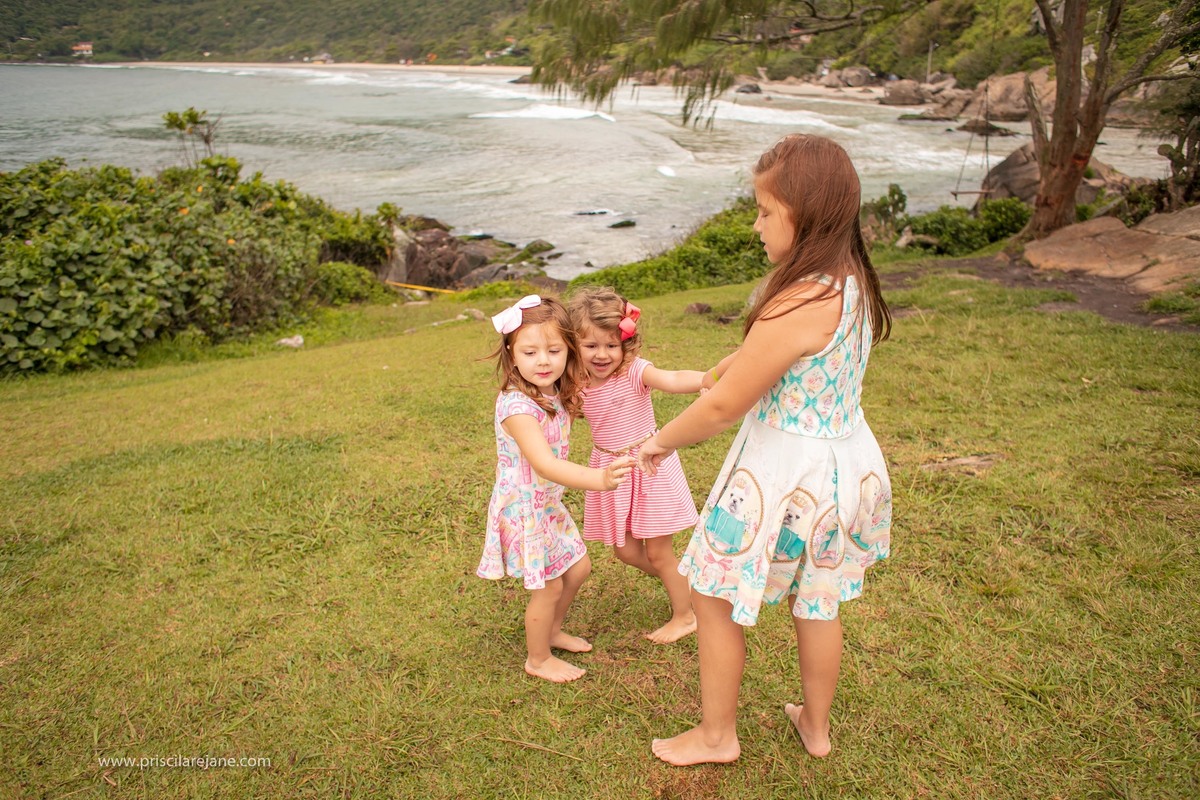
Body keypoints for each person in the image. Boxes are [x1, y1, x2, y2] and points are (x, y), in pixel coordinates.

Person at [638, 134, 894, 765]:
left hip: (786, 473)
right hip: (844, 465)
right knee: (818, 599)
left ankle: (716, 736)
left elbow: (723, 408)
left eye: (764, 211)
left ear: (803, 215)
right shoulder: (851, 281)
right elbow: (779, 358)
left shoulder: (799, 299)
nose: (756, 225)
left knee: (712, 597)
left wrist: (657, 443)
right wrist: (729, 364)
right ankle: (816, 726)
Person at [477, 295, 636, 683]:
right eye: (530, 352)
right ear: (511, 353)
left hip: (546, 503)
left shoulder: (550, 390)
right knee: (548, 587)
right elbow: (545, 464)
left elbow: (606, 378)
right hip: (525, 509)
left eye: (554, 350)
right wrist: (599, 479)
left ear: (569, 350)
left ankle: (551, 630)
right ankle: (538, 658)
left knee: (578, 568)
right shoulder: (518, 407)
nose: (543, 361)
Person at [568, 288, 705, 644]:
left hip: (648, 467)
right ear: (574, 345)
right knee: (626, 551)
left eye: (611, 345)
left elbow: (673, 379)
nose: (602, 354)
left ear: (625, 345)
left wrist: (708, 379)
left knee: (659, 553)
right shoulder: (577, 381)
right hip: (612, 471)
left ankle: (686, 616)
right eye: (591, 345)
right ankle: (687, 582)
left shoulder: (633, 372)